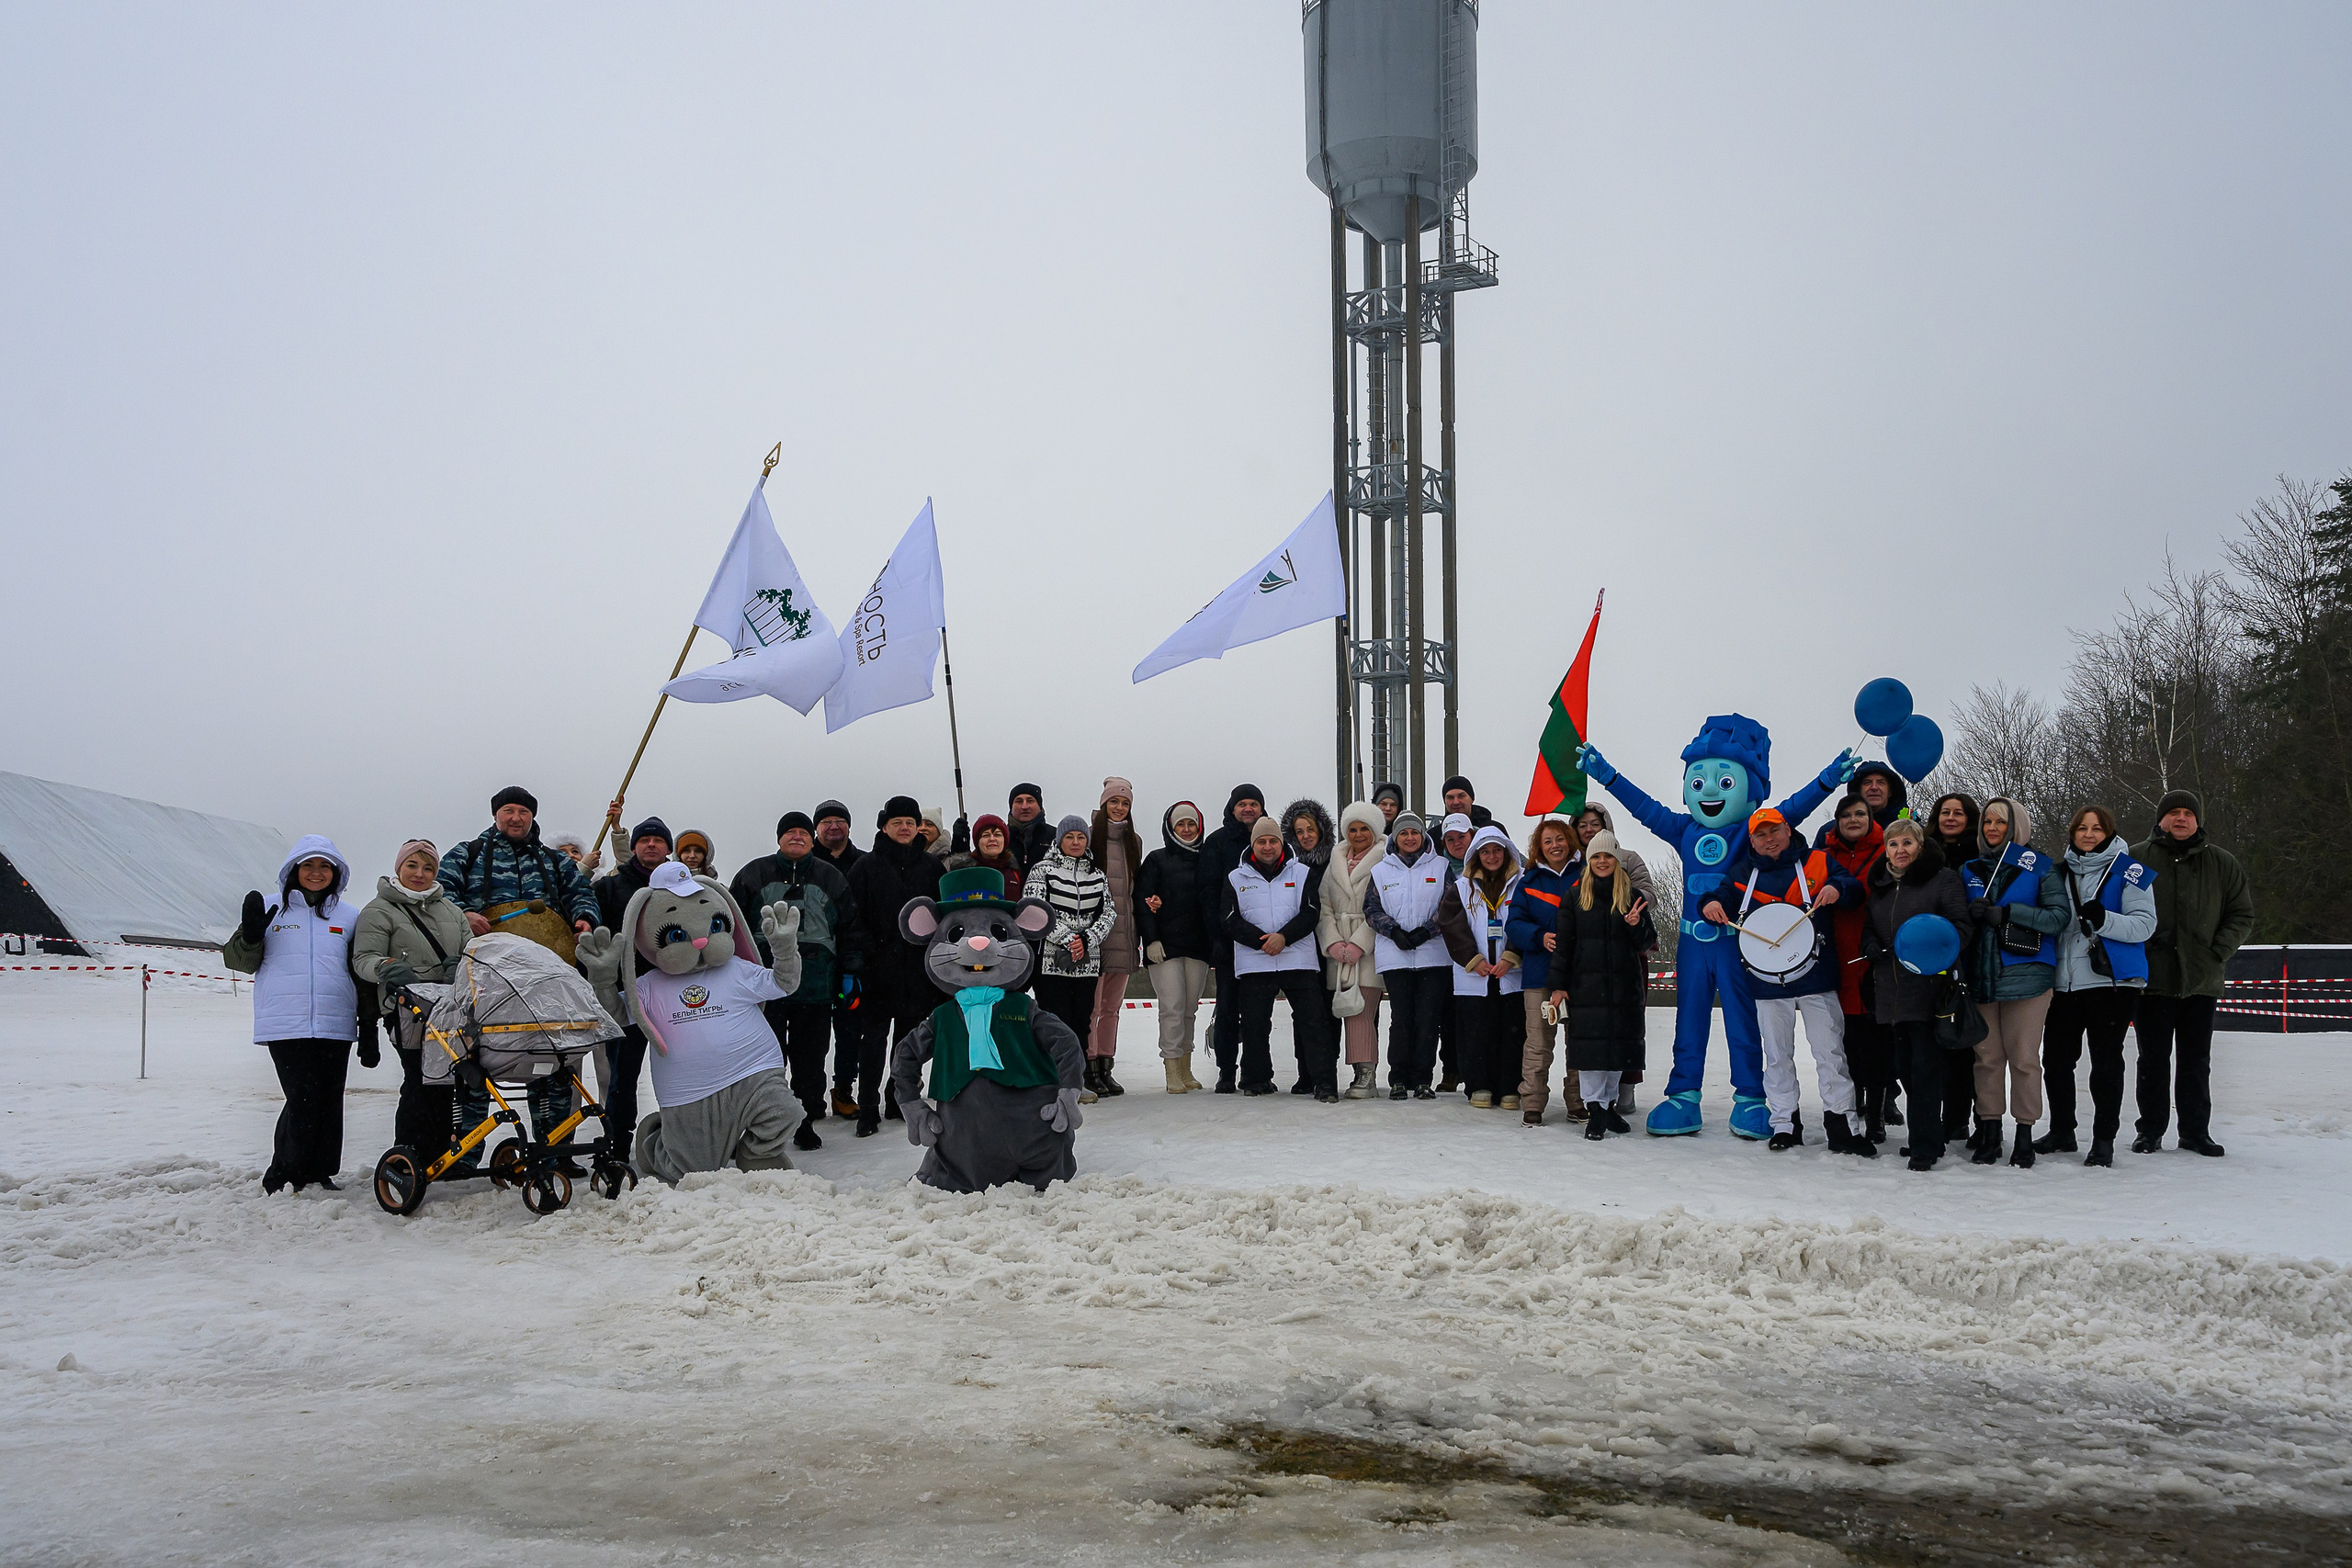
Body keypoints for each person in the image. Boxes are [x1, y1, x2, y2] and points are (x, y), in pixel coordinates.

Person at [1700, 807, 1870, 1154]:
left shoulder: (1818, 863)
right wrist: (1711, 904)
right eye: (1760, 834)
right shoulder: (1741, 874)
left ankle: (1842, 1125)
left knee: (1830, 1053)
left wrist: (1838, 888)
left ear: (1787, 830)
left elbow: (1853, 889)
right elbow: (1719, 897)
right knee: (1777, 1056)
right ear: (1752, 841)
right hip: (1766, 982)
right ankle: (1784, 1124)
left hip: (1817, 978)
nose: (1769, 839)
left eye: (1774, 831)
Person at [222, 836, 364, 1194]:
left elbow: (358, 971)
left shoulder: (349, 916)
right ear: (293, 870)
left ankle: (320, 1173)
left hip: (335, 1020)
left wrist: (369, 1023)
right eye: (308, 866)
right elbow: (238, 961)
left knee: (329, 1099)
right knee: (302, 1095)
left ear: (336, 872)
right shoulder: (269, 909)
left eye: (325, 866)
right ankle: (283, 1174)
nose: (316, 873)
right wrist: (252, 935)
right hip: (285, 1020)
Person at [2132, 789, 2255, 1157]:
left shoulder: (2222, 863)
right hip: (2151, 980)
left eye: (2188, 813)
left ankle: (2195, 1132)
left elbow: (2242, 915)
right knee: (2152, 1061)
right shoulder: (2136, 860)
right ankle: (2150, 1131)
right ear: (2160, 820)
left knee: (2196, 1061)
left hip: (2201, 980)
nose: (2180, 819)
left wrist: (2217, 951)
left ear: (2197, 820)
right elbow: (2116, 910)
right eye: (2173, 813)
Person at [731, 810, 864, 1150]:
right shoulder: (753, 874)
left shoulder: (830, 877)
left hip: (816, 989)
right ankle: (767, 1121)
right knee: (768, 1060)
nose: (797, 837)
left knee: (810, 1060)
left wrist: (850, 972)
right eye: (789, 832)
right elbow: (735, 929)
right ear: (779, 838)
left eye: (803, 833)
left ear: (812, 838)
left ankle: (805, 1120)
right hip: (766, 988)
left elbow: (849, 928)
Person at [2040, 806, 2159, 1166]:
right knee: (2057, 1060)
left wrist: (2105, 919)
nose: (2088, 834)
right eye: (2081, 828)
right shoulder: (2058, 873)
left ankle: (2103, 1139)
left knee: (2106, 1063)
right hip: (2064, 983)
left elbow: (2144, 925)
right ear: (2072, 833)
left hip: (2111, 981)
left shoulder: (2130, 871)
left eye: (2096, 828)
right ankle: (2062, 1130)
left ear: (2109, 832)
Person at [1958, 797, 2069, 1167]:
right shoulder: (1970, 869)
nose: (1991, 828)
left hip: (2028, 976)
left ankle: (2024, 1131)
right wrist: (1970, 916)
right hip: (1982, 976)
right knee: (1987, 1057)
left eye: (2000, 822)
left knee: (2023, 1058)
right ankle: (1990, 1131)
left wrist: (2008, 913)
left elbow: (2058, 917)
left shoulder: (2040, 867)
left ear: (2015, 826)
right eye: (1987, 822)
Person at [1863, 818, 1973, 1171]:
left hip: (1929, 989)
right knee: (1905, 1069)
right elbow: (1870, 929)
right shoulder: (1879, 885)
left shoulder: (1943, 880)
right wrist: (1871, 947)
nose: (1900, 851)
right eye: (1893, 845)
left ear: (1920, 846)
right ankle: (1928, 1135)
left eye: (1907, 843)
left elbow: (1960, 928)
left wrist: (1924, 948)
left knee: (1926, 1069)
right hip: (1891, 991)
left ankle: (1924, 1144)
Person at [351, 838, 469, 1156]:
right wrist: (387, 967)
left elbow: (470, 951)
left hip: (448, 1008)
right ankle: (411, 1151)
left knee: (446, 1082)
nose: (420, 874)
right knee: (419, 1078)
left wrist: (459, 966)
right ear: (399, 868)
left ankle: (443, 1153)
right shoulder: (378, 911)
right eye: (412, 865)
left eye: (428, 867)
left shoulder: (453, 912)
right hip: (405, 1009)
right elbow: (363, 958)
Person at [845, 796, 947, 1135]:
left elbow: (942, 918)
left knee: (908, 1041)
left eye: (910, 822)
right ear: (884, 826)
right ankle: (868, 1107)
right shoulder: (865, 867)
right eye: (896, 823)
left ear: (919, 826)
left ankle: (898, 1098)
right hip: (877, 970)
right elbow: (852, 917)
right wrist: (868, 953)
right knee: (873, 1040)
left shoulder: (932, 868)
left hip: (917, 971)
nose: (904, 828)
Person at [1547, 831, 1655, 1137]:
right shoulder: (1575, 897)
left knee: (1617, 1050)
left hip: (1624, 987)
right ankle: (1594, 1108)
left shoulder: (1633, 897)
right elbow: (1563, 945)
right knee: (1592, 1053)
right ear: (1589, 861)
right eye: (1596, 856)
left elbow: (1647, 941)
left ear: (1617, 860)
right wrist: (1558, 985)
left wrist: (1638, 925)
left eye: (1608, 856)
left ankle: (1608, 1108)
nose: (1603, 861)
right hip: (1586, 987)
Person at [1223, 815, 1334, 1099]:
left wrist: (1284, 937)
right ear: (1253, 844)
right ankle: (1256, 1079)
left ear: (1282, 843)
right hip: (1255, 962)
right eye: (1261, 841)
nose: (1268, 846)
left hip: (1298, 959)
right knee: (1255, 1024)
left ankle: (1322, 1081)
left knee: (1313, 1023)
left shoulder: (1302, 873)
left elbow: (1311, 912)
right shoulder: (1236, 878)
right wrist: (1261, 942)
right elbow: (1229, 919)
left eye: (1273, 840)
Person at [583, 817, 673, 1157]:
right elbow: (590, 929)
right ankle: (616, 1145)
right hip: (626, 997)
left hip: (673, 995)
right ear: (633, 847)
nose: (651, 845)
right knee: (622, 1077)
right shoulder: (610, 887)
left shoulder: (680, 885)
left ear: (668, 848)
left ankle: (685, 1135)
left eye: (658, 840)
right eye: (644, 840)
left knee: (682, 1071)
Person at [438, 786, 599, 963]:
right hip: (484, 958)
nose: (516, 818)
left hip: (548, 959)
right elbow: (441, 891)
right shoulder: (468, 853)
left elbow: (581, 893)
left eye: (523, 812)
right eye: (508, 811)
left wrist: (585, 917)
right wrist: (465, 915)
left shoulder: (555, 860)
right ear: (495, 815)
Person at [1815, 795, 1897, 1141]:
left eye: (1860, 813)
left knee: (1878, 1041)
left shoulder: (1886, 850)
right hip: (1835, 956)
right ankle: (1852, 1105)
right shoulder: (1823, 856)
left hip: (1875, 956)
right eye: (1845, 815)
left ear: (1870, 817)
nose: (1853, 819)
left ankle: (1877, 1113)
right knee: (1843, 1040)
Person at [1437, 825, 1527, 1109]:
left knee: (1512, 1033)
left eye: (1497, 850)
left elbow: (1526, 921)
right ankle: (1478, 1085)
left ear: (1506, 851)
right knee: (1475, 1034)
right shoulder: (1461, 888)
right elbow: (1451, 925)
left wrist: (1511, 956)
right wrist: (1472, 959)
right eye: (1485, 851)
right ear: (1476, 854)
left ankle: (1510, 1087)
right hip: (1474, 978)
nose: (1491, 857)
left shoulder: (1522, 884)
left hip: (1510, 976)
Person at [1364, 812, 1452, 1099]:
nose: (1410, 838)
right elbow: (1371, 909)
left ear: (1423, 836)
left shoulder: (1441, 866)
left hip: (1433, 954)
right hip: (1396, 955)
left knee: (1428, 1020)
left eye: (1415, 833)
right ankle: (1398, 1078)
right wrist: (1393, 931)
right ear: (1395, 838)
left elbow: (1450, 904)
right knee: (1402, 1019)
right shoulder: (1381, 871)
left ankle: (1423, 1078)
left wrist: (1428, 930)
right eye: (1404, 834)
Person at [1030, 814, 1114, 1101]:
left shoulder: (1097, 874)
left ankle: (1074, 1082)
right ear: (1059, 840)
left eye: (1080, 837)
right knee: (1055, 1021)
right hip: (1051, 960)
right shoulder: (1043, 869)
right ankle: (1051, 1081)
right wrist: (1068, 938)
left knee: (1081, 1022)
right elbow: (1035, 908)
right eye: (1070, 837)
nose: (1076, 842)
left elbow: (1108, 912)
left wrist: (1086, 940)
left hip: (1087, 962)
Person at [1507, 817, 1582, 1123]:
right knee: (1538, 1045)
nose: (1555, 846)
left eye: (1560, 839)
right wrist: (1540, 936)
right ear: (1539, 847)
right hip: (1539, 975)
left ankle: (1579, 1101)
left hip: (1580, 975)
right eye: (1547, 841)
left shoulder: (1586, 875)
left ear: (1570, 842)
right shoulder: (1529, 881)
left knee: (1579, 1043)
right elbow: (1515, 925)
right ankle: (1533, 1102)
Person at [1137, 801, 1215, 1091]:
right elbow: (1142, 901)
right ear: (1170, 828)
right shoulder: (1157, 860)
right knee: (1172, 1007)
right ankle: (1171, 1069)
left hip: (1198, 946)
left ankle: (1185, 1068)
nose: (1185, 829)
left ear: (1199, 827)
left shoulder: (1207, 859)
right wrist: (1151, 939)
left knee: (1189, 1010)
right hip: (1165, 948)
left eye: (1191, 824)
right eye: (1180, 824)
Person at [1196, 784, 1268, 1092]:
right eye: (1242, 804)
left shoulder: (1271, 841)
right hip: (1228, 942)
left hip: (1265, 943)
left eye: (1254, 803)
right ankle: (1226, 1070)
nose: (1248, 809)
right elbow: (1208, 893)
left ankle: (1257, 1071)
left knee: (1257, 1013)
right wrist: (1217, 937)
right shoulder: (1217, 842)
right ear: (1232, 808)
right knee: (1226, 1010)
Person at [1317, 802, 1389, 1099]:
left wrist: (1359, 944)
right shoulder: (1335, 861)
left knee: (1361, 1011)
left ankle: (1366, 1074)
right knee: (1348, 1011)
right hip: (1339, 952)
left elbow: (1384, 904)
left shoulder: (1386, 860)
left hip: (1368, 949)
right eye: (1353, 829)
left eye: (1364, 829)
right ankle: (1359, 1070)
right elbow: (1324, 907)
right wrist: (1333, 942)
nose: (1358, 834)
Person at [1922, 793, 1982, 1145]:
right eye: (1945, 812)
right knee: (1940, 1042)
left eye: (1959, 812)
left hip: (1971, 953)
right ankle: (1949, 1117)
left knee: (1968, 1042)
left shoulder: (1978, 856)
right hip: (1932, 955)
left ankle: (1974, 1117)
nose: (1951, 817)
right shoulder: (1924, 855)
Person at [810, 799, 866, 1116]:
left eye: (839, 821)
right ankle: (810, 1095)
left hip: (852, 962)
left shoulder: (863, 863)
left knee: (849, 1032)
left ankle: (843, 1090)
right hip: (814, 967)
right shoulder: (803, 863)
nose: (834, 827)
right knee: (813, 1037)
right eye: (826, 822)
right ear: (816, 828)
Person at [1089, 778, 1144, 1095]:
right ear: (1104, 804)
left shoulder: (1133, 841)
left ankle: (1106, 1066)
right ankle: (1089, 1065)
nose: (1119, 808)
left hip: (1124, 935)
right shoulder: (1090, 839)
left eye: (1125, 803)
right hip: (1096, 936)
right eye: (1114, 802)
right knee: (1092, 1008)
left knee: (1112, 1007)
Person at [950, 812, 1026, 901]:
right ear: (978, 842)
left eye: (997, 835)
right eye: (986, 835)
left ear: (1004, 840)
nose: (992, 839)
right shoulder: (965, 872)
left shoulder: (1015, 873)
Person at [1006, 783, 1056, 875]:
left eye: (1030, 801)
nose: (1024, 806)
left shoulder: (1055, 836)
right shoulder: (1000, 838)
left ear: (1040, 806)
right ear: (1011, 807)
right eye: (1019, 801)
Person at [1283, 798, 1336, 873]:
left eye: (1310, 829)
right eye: (1300, 832)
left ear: (1320, 831)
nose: (1306, 836)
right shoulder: (1286, 867)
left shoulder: (1336, 861)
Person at [1849, 762, 1909, 828]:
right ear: (1858, 791)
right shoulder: (1844, 827)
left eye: (1881, 783)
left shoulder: (1910, 828)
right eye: (1867, 782)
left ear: (1890, 792)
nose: (1874, 787)